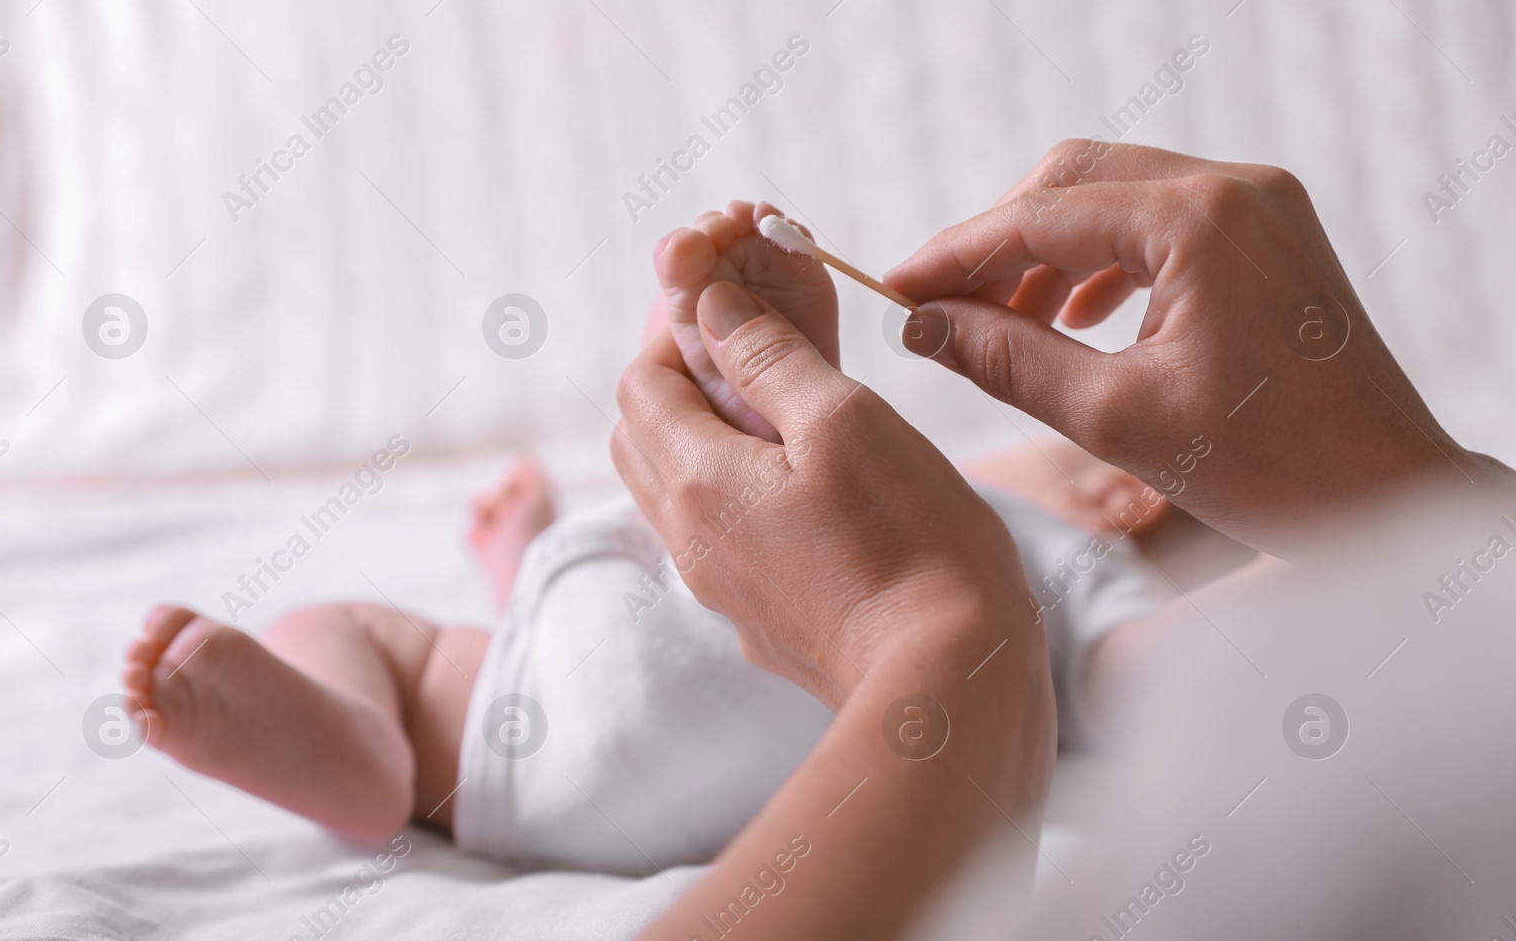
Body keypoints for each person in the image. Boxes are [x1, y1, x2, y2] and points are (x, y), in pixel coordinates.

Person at [351, 141, 1516, 941]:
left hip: (665, 714)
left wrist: (927, 629)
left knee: (378, 650)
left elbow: (1172, 658)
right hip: (588, 659)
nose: (970, 484)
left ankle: (372, 714)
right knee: (470, 643)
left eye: (1007, 471)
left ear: (1123, 491)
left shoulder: (1080, 566)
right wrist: (1421, 497)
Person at [114, 201, 1170, 876]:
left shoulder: (1062, 544)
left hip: (545, 739)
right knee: (604, 588)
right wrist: (524, 557)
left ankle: (358, 735)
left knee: (356, 626)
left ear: (1126, 495)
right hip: (672, 755)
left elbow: (1167, 662)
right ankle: (723, 407)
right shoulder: (1037, 593)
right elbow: (1152, 677)